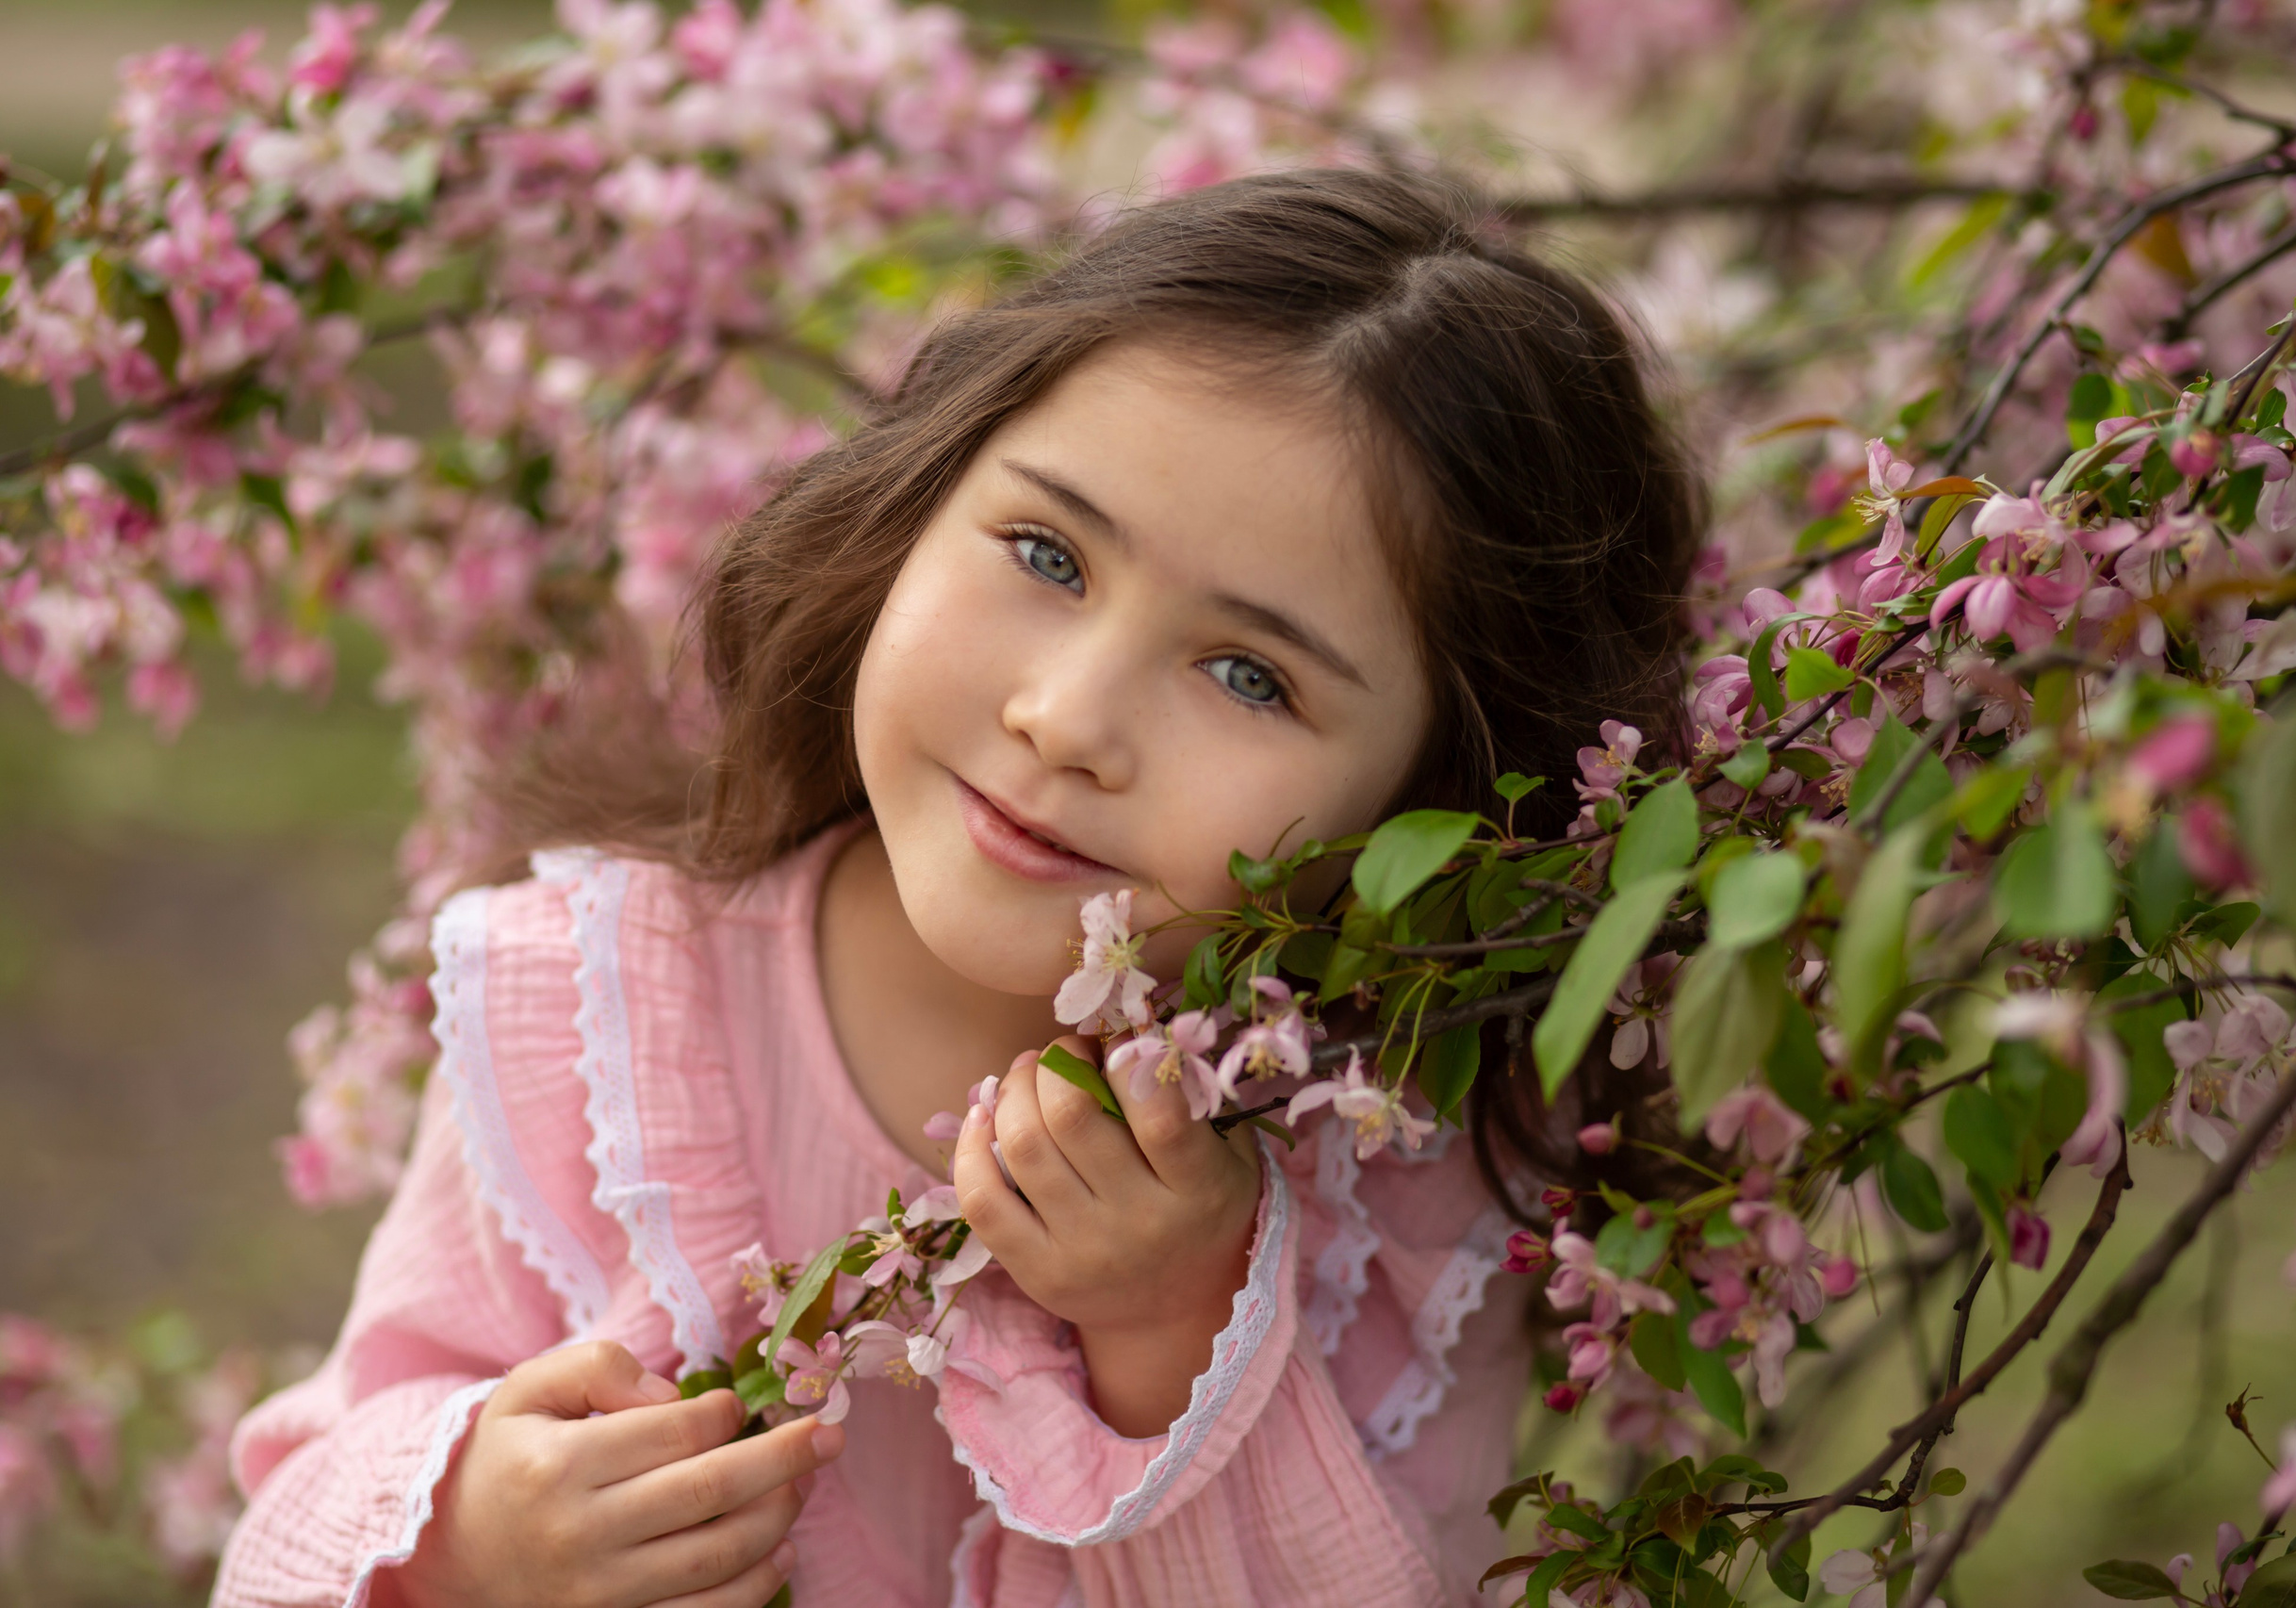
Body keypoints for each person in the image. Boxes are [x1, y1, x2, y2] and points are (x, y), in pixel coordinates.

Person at [210, 167, 1701, 1608]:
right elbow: (306, 1498)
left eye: (1249, 675)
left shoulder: (1395, 1154)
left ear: (1442, 800)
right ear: (917, 500)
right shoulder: (599, 1012)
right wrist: (463, 1540)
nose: (1066, 717)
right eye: (1047, 553)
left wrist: (1174, 1333)